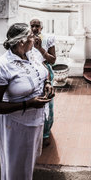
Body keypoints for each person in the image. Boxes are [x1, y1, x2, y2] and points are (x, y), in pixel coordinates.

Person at [0, 23, 54, 180]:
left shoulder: (31, 54)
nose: (35, 39)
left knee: (27, 165)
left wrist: (47, 84)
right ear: (22, 41)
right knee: (17, 170)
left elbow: (43, 72)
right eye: (32, 37)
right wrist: (27, 104)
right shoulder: (3, 66)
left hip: (37, 120)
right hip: (17, 125)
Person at [30, 18, 56, 147]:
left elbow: (52, 60)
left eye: (37, 26)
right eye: (32, 26)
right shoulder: (25, 41)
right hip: (31, 74)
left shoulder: (48, 39)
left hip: (45, 73)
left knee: (47, 103)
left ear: (42, 28)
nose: (35, 29)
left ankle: (46, 132)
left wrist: (40, 49)